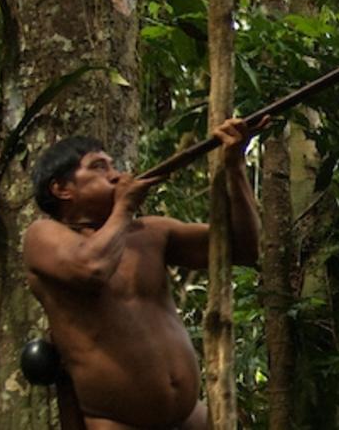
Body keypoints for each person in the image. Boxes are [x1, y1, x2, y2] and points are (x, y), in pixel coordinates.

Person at [23, 118, 265, 430]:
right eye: (98, 167)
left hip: (191, 418)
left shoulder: (151, 232)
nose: (117, 175)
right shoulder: (42, 236)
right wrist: (124, 208)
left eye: (114, 166)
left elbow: (243, 248)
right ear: (61, 189)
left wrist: (234, 166)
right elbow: (92, 269)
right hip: (117, 422)